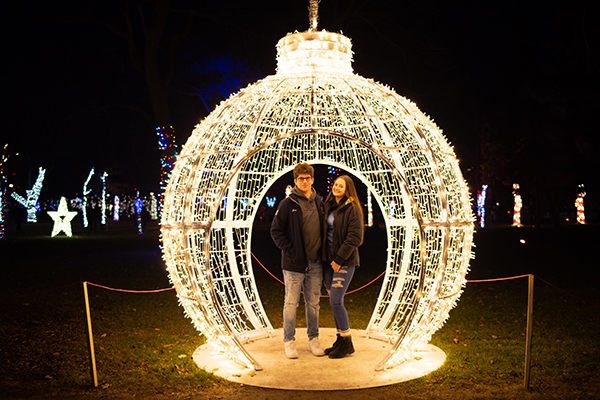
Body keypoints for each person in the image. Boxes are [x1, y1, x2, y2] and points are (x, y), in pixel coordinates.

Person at [270, 163, 326, 359]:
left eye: (307, 178)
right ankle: (289, 341)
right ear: (295, 181)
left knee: (313, 303)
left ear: (312, 179)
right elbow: (276, 231)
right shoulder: (287, 204)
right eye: (300, 178)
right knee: (291, 303)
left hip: (316, 263)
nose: (304, 181)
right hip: (294, 263)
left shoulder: (319, 203)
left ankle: (313, 339)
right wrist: (292, 251)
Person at [322, 175, 364, 359]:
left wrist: (339, 259)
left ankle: (347, 342)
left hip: (343, 261)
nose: (337, 187)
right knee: (333, 301)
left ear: (348, 190)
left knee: (336, 301)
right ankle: (340, 339)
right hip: (328, 262)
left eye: (341, 186)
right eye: (336, 184)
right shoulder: (329, 206)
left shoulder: (352, 209)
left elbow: (355, 238)